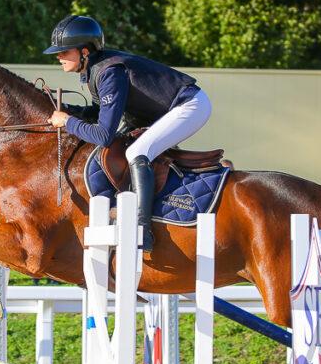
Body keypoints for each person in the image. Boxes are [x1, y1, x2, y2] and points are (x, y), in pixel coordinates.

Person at [45, 14, 212, 251]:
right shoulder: (95, 69)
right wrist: (69, 112)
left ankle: (142, 231)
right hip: (168, 109)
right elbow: (98, 112)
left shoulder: (109, 72)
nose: (58, 57)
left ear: (84, 52)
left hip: (190, 104)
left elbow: (103, 135)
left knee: (137, 151)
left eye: (64, 52)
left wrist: (68, 122)